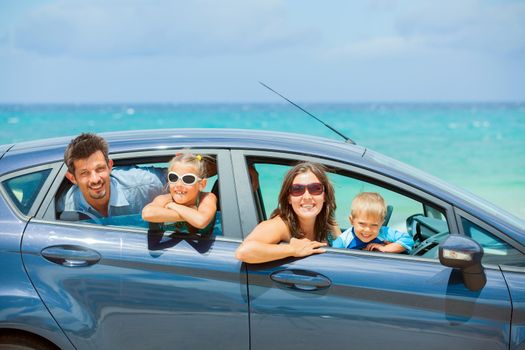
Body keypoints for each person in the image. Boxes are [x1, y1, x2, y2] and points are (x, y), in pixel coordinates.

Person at [235, 162, 339, 263]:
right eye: (297, 189)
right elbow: (244, 252)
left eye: (315, 188)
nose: (307, 197)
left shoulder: (328, 224)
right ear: (289, 198)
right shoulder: (281, 225)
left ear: (324, 195)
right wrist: (292, 250)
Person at [57, 133, 164, 219]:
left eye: (100, 169)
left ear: (110, 166)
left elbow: (177, 179)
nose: (95, 179)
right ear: (72, 178)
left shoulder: (144, 184)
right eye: (85, 173)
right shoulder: (63, 207)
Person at [141, 152, 217, 234]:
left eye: (188, 179)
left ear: (201, 184)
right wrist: (190, 213)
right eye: (173, 177)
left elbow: (201, 221)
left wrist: (173, 205)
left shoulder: (207, 197)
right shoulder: (165, 198)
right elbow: (147, 213)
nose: (179, 184)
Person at [332, 192, 413, 253]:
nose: (367, 230)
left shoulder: (384, 232)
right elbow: (331, 255)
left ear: (381, 223)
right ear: (351, 221)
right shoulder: (345, 239)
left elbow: (408, 240)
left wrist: (385, 249)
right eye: (362, 224)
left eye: (374, 225)